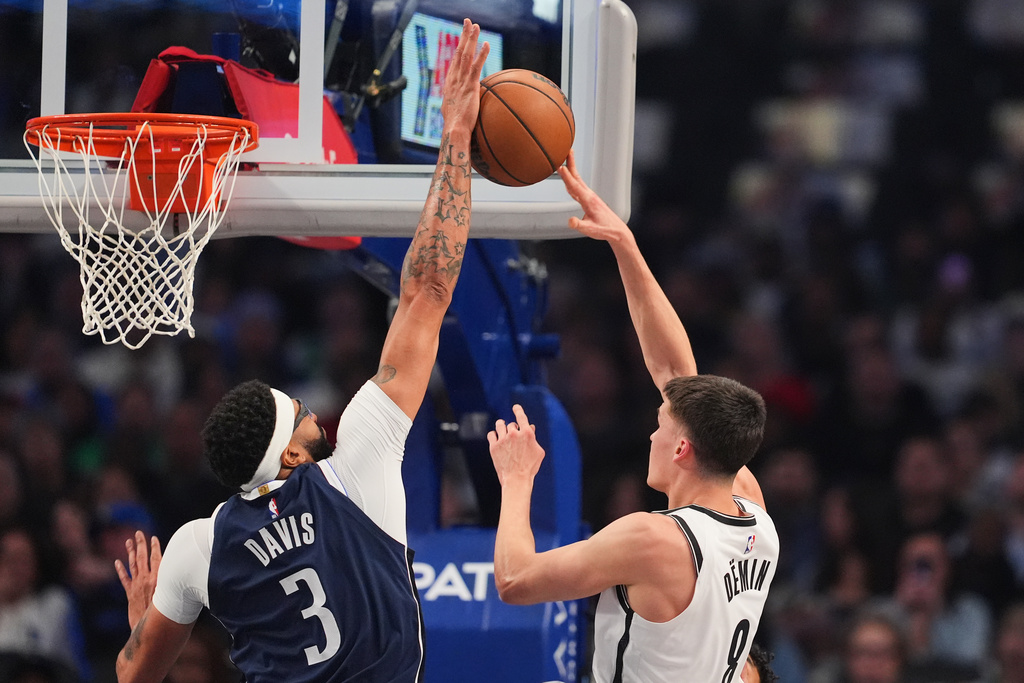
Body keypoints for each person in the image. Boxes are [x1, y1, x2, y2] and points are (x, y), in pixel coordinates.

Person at [110, 19, 490, 683]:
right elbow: (428, 289)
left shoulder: (198, 546)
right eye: (299, 411)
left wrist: (144, 617)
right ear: (290, 454)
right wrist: (455, 138)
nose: (311, 407)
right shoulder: (359, 463)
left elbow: (133, 675)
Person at [487, 152, 779, 682]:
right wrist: (625, 245)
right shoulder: (753, 511)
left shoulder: (653, 540)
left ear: (683, 449)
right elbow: (674, 371)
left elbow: (515, 580)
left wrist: (516, 479)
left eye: (661, 425)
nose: (651, 430)